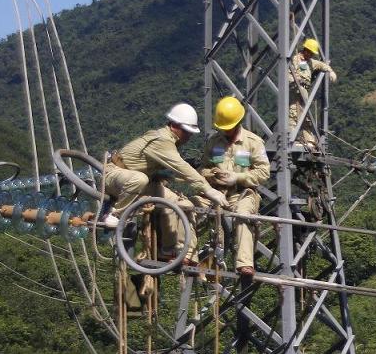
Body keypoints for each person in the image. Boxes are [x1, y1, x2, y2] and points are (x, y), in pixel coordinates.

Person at [101, 102, 229, 264]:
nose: (189, 137)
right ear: (175, 126)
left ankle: (168, 250)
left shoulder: (170, 142)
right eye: (186, 132)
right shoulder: (162, 140)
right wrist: (208, 189)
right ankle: (115, 214)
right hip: (116, 176)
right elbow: (181, 167)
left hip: (138, 180)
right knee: (140, 179)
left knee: (180, 203)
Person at [200, 96, 270, 279]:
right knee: (190, 208)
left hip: (243, 193)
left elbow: (263, 173)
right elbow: (203, 168)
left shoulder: (253, 143)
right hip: (215, 193)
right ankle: (186, 254)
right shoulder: (213, 142)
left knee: (242, 214)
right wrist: (212, 175)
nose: (226, 131)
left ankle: (244, 263)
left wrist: (238, 177)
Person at [288, 37, 337, 150]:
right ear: (306, 50)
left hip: (305, 91)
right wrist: (295, 81)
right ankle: (291, 139)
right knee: (294, 114)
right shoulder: (295, 60)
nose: (311, 55)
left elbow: (321, 65)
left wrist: (330, 71)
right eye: (310, 53)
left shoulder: (310, 62)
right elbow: (288, 75)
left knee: (306, 117)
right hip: (295, 91)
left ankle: (309, 140)